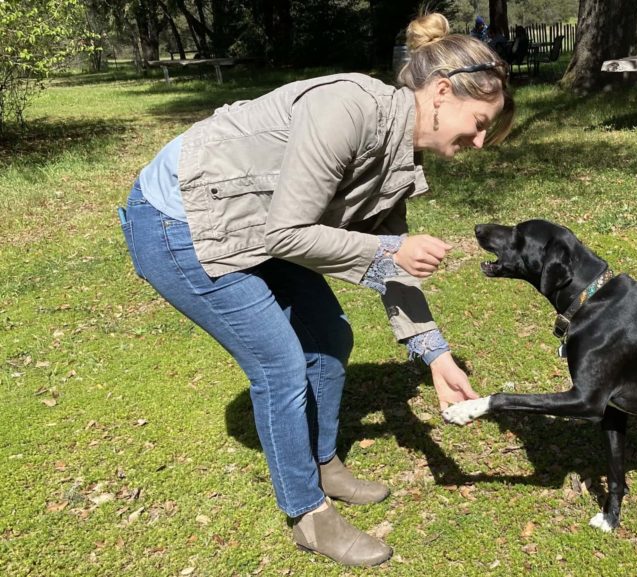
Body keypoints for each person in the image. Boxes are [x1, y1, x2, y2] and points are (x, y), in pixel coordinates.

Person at [117, 12, 513, 568]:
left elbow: (387, 264)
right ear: (441, 93)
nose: (477, 140)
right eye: (476, 123)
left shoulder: (400, 158)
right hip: (179, 222)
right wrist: (385, 251)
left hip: (254, 224)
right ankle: (307, 515)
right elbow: (293, 233)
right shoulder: (349, 108)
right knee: (279, 364)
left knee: (329, 335)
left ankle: (323, 460)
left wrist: (435, 354)